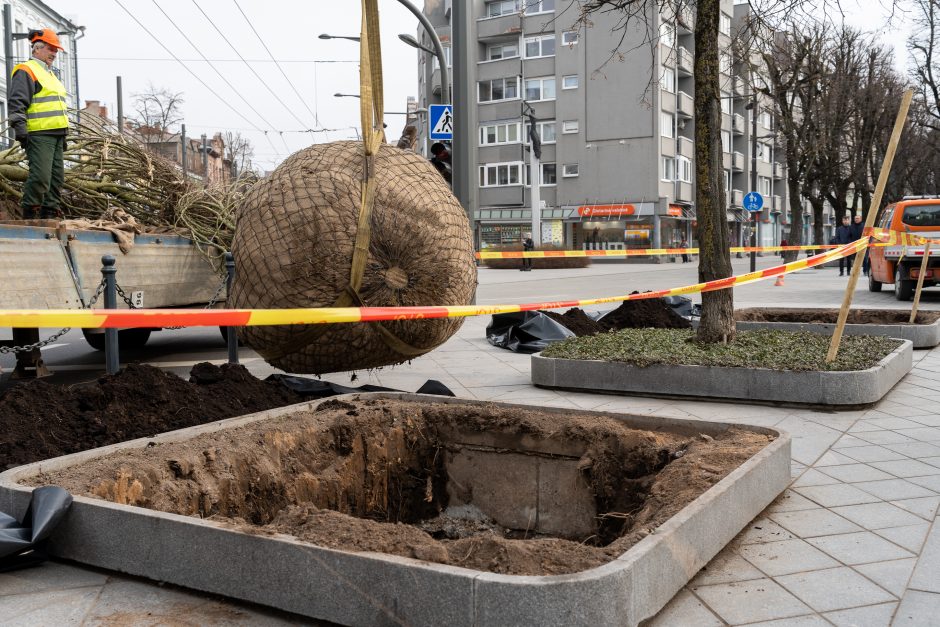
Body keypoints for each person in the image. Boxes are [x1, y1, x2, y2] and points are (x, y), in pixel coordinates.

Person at [9, 29, 68, 221]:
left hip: (57, 134)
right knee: (41, 177)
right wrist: (20, 129)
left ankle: (49, 215)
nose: (54, 54)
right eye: (52, 49)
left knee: (56, 179)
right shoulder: (26, 70)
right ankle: (30, 214)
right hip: (39, 134)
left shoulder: (51, 75)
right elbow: (17, 101)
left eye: (56, 51)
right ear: (37, 49)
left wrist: (63, 134)